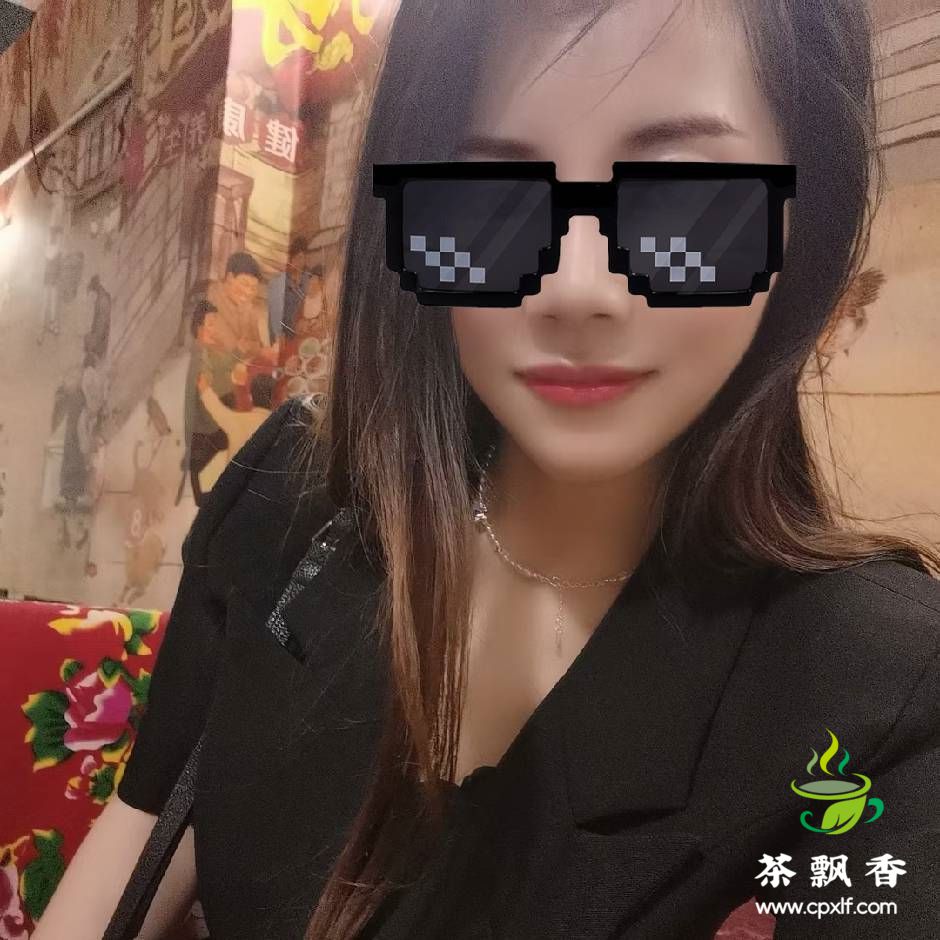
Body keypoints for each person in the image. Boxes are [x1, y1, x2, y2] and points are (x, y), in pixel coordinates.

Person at [36, 2, 940, 939]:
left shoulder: (875, 683)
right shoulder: (293, 504)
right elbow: (138, 846)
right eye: (490, 194)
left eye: (680, 191)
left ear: (801, 221)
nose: (574, 287)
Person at [206, 250, 271, 358]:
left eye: (253, 288)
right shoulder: (211, 300)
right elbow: (233, 349)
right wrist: (252, 348)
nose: (249, 292)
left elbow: (259, 344)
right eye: (244, 284)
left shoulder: (246, 304)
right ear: (230, 278)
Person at [268, 235, 316, 341]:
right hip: (284, 334)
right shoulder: (278, 283)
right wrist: (278, 335)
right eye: (297, 258)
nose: (300, 262)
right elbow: (274, 316)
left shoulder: (308, 278)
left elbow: (310, 303)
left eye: (304, 258)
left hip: (302, 331)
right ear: (290, 259)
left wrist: (307, 322)